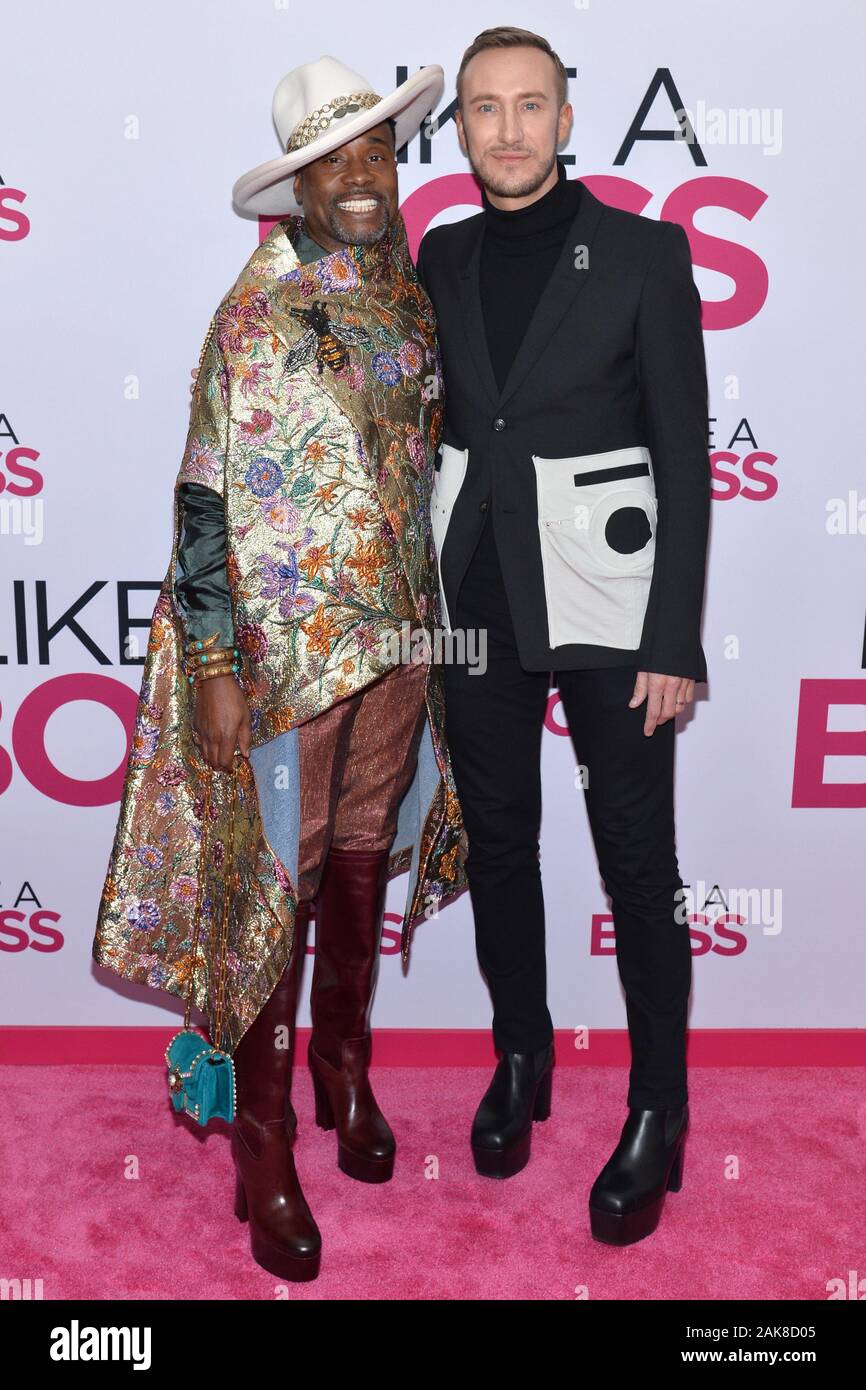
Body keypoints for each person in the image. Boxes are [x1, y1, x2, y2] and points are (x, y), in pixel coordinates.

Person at [92, 56, 468, 1283]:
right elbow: (203, 497)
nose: (360, 177)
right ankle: (262, 1147)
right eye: (333, 162)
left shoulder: (404, 291)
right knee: (278, 886)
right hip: (283, 659)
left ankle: (340, 1076)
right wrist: (211, 662)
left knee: (364, 856)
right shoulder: (249, 319)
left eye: (375, 154)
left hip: (401, 638)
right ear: (295, 187)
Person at [417, 27, 710, 1244]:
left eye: (529, 104)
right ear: (461, 129)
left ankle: (658, 1110)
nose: (507, 129)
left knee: (636, 868)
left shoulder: (644, 254)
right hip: (475, 604)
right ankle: (521, 1060)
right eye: (483, 108)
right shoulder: (436, 255)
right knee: (499, 845)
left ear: (566, 118)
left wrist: (673, 638)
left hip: (606, 608)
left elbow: (683, 456)